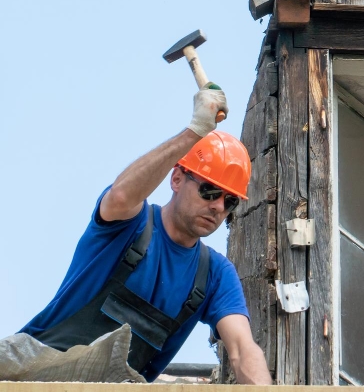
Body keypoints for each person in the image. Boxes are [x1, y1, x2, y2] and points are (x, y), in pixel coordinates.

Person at [13, 86, 272, 384]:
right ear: (176, 179)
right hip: (31, 380)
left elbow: (242, 349)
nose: (217, 206)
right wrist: (195, 131)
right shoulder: (129, 225)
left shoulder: (214, 275)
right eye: (209, 191)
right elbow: (121, 195)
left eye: (229, 201)